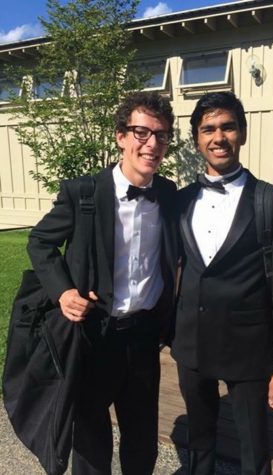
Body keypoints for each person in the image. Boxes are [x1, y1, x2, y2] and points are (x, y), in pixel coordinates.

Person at [27, 91, 178, 475]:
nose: (152, 144)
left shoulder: (168, 193)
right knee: (91, 441)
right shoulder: (84, 193)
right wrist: (63, 291)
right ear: (120, 136)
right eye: (141, 132)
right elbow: (40, 241)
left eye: (161, 135)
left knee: (142, 439)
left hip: (144, 337)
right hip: (95, 336)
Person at [171, 91, 273, 475]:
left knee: (254, 446)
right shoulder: (178, 202)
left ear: (242, 133)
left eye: (228, 127)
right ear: (197, 140)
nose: (219, 136)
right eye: (208, 129)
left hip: (249, 347)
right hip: (191, 343)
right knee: (198, 440)